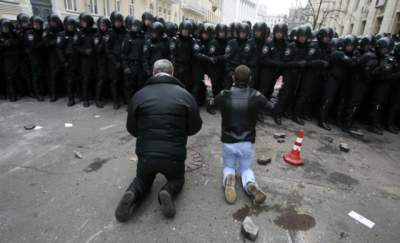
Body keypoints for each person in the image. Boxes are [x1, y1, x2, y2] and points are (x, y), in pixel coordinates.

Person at [115, 59, 202, 222]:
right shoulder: (185, 95)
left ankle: (133, 192)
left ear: (153, 73)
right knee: (177, 179)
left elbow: (131, 129)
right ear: (172, 72)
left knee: (142, 179)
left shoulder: (139, 95)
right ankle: (168, 191)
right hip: (174, 156)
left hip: (146, 154)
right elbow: (195, 128)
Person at [203, 65, 272, 205]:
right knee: (246, 168)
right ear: (250, 79)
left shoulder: (224, 94)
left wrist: (208, 88)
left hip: (228, 141)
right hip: (247, 142)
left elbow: (209, 105)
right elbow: (273, 108)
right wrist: (276, 91)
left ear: (233, 77)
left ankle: (229, 179)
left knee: (229, 166)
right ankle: (251, 185)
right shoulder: (255, 95)